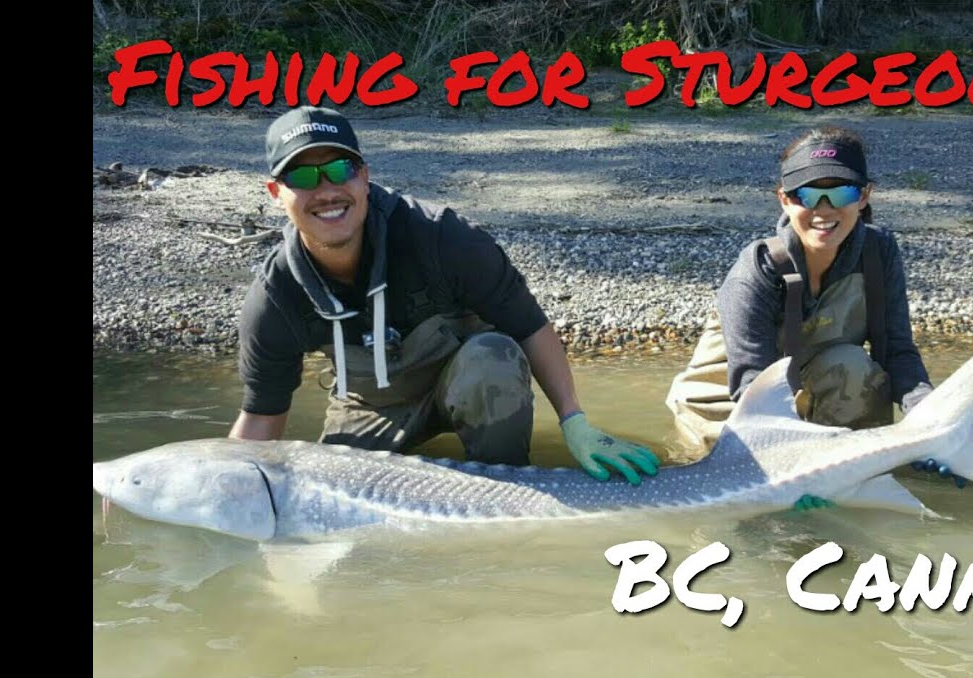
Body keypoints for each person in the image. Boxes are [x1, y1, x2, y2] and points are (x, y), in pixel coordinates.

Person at [229, 106, 660, 484]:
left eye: (340, 170)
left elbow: (530, 326)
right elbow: (261, 419)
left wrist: (575, 422)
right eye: (303, 176)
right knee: (328, 492)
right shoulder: (276, 297)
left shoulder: (441, 237)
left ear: (364, 177)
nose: (326, 190)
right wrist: (230, 479)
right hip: (373, 406)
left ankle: (507, 483)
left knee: (493, 356)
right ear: (276, 193)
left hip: (471, 381)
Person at [666, 125, 933, 449]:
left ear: (864, 196)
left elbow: (898, 353)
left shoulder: (879, 253)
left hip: (811, 385)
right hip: (729, 407)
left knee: (854, 365)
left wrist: (929, 422)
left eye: (842, 193)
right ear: (784, 199)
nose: (824, 209)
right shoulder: (755, 272)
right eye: (807, 195)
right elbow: (751, 387)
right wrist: (788, 455)